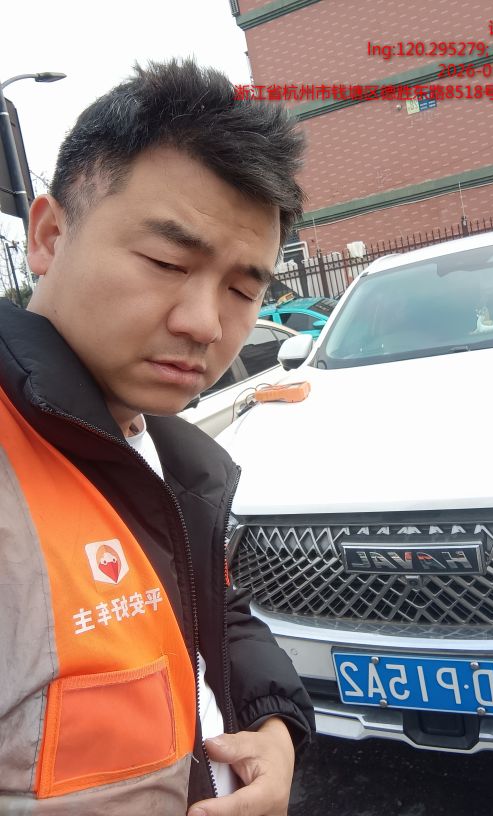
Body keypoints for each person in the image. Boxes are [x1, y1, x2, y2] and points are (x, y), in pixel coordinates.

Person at [0, 59, 314, 815]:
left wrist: (274, 726)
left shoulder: (166, 452)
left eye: (242, 288)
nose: (206, 323)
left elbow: (211, 613)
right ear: (49, 235)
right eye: (167, 262)